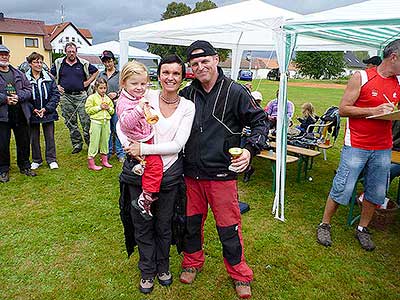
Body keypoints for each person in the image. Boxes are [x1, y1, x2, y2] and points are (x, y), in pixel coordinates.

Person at [179, 40, 268, 299]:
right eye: (195, 64)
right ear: (190, 68)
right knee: (191, 224)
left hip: (222, 175)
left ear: (216, 59)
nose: (200, 67)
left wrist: (251, 150)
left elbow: (261, 123)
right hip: (190, 173)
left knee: (228, 227)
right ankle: (192, 261)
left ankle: (240, 274)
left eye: (205, 61)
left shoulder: (236, 91)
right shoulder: (187, 94)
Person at [117, 54, 195, 294]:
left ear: (182, 78)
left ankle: (163, 267)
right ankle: (147, 270)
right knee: (142, 225)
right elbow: (121, 123)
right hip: (139, 173)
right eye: (166, 72)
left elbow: (178, 145)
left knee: (164, 225)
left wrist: (144, 148)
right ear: (158, 75)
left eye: (176, 73)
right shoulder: (145, 95)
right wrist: (131, 150)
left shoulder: (187, 107)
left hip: (169, 174)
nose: (170, 78)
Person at [316, 39, 400, 252]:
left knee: (377, 190)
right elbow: (343, 109)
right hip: (357, 145)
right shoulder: (361, 77)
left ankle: (362, 229)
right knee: (342, 186)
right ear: (394, 57)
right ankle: (324, 224)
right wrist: (373, 111)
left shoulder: (398, 82)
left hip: (383, 146)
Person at [116, 61, 163, 219]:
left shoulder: (138, 96)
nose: (140, 87)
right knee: (156, 166)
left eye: (144, 83)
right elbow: (126, 123)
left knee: (148, 164)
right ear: (123, 83)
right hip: (138, 140)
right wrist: (139, 108)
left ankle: (140, 165)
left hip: (145, 136)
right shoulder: (123, 103)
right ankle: (145, 198)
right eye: (134, 83)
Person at [51, 42, 99, 154]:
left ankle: (90, 144)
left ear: (76, 52)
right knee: (70, 122)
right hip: (65, 97)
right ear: (65, 52)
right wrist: (56, 86)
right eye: (69, 51)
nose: (71, 53)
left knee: (86, 121)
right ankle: (77, 144)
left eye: (73, 51)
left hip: (81, 96)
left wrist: (87, 82)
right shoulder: (59, 63)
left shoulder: (83, 63)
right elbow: (50, 74)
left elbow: (96, 71)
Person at [0, 45, 35, 183]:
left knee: (24, 141)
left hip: (20, 112)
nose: (4, 56)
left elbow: (29, 89)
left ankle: (25, 165)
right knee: (2, 143)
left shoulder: (18, 73)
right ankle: (3, 169)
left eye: (6, 54)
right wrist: (5, 99)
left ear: (9, 56)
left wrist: (18, 97)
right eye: (1, 54)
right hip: (2, 114)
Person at [25, 52, 60, 170]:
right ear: (30, 64)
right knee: (33, 137)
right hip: (32, 113)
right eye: (36, 62)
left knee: (49, 136)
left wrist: (46, 109)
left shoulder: (49, 77)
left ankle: (51, 159)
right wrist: (33, 109)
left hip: (47, 112)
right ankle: (36, 160)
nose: (39, 64)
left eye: (40, 62)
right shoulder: (25, 78)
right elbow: (24, 97)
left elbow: (55, 95)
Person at [98, 50, 124, 163]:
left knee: (117, 129)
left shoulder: (120, 75)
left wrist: (116, 94)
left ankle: (120, 153)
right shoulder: (101, 75)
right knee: (107, 131)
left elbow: (125, 89)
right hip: (105, 108)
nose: (107, 64)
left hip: (117, 105)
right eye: (105, 62)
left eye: (109, 61)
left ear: (113, 61)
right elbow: (97, 89)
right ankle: (107, 152)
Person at [85, 77, 114, 171]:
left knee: (105, 140)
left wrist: (108, 108)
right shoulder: (91, 98)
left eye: (105, 88)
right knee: (94, 141)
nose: (103, 90)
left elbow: (112, 111)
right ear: (96, 88)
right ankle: (91, 161)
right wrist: (99, 107)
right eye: (101, 88)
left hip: (106, 122)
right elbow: (88, 110)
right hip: (96, 122)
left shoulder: (108, 98)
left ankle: (104, 160)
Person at [242, 90, 264, 183]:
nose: (257, 103)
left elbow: (262, 127)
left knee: (248, 153)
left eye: (258, 101)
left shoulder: (261, 113)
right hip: (244, 136)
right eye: (256, 100)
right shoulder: (245, 111)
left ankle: (248, 171)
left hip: (253, 139)